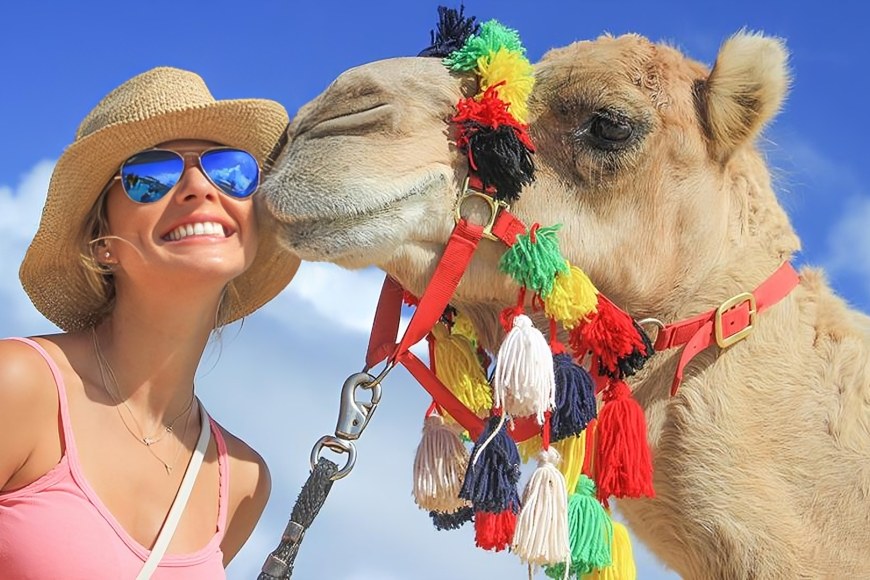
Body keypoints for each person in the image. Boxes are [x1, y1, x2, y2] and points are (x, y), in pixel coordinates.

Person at [0, 66, 298, 578]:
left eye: (230, 170)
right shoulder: (19, 386)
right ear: (103, 243)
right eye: (149, 175)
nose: (199, 187)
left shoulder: (241, 481)